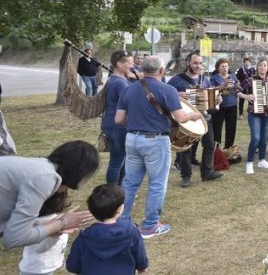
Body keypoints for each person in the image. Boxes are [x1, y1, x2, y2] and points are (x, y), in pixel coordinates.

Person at [115, 55, 201, 238]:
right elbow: (180, 117)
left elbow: (119, 119)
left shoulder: (128, 89)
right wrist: (194, 115)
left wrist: (138, 120)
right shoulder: (167, 90)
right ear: (161, 71)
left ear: (142, 69)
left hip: (132, 139)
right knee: (157, 183)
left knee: (129, 183)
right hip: (156, 140)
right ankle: (150, 226)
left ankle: (121, 222)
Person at [0, 140, 98, 248]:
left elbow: (13, 226)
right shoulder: (44, 178)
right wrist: (62, 223)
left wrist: (46, 226)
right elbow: (13, 238)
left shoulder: (39, 167)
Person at [66, 183, 148, 275]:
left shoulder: (84, 236)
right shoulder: (131, 231)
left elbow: (72, 266)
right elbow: (140, 259)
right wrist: (142, 269)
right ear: (120, 209)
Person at [167, 53, 223, 187]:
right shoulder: (177, 80)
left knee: (209, 145)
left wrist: (217, 100)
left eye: (200, 63)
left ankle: (207, 172)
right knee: (186, 148)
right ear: (188, 63)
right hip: (187, 120)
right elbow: (165, 93)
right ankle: (186, 176)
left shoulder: (205, 79)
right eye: (195, 63)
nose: (198, 66)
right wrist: (177, 94)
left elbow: (209, 99)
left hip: (204, 118)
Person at [18, 187, 72, 275]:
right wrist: (54, 235)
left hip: (46, 265)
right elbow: (39, 249)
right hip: (36, 269)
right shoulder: (35, 223)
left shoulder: (58, 219)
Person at [237, 59, 268, 174]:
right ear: (257, 67)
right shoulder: (250, 79)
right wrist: (246, 96)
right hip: (254, 112)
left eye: (265, 65)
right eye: (260, 65)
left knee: (264, 137)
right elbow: (237, 90)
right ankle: (249, 163)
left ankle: (262, 160)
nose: (263, 67)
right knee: (256, 138)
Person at [101, 50, 133, 185]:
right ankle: (112, 191)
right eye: (129, 63)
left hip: (112, 123)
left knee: (123, 158)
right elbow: (131, 102)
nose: (132, 66)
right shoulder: (120, 83)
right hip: (117, 125)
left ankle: (119, 189)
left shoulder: (116, 79)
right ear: (119, 64)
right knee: (117, 160)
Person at [210, 58, 240, 149]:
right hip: (219, 107)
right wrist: (224, 84)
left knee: (231, 129)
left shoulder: (233, 76)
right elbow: (212, 91)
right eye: (222, 66)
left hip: (232, 106)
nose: (224, 68)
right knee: (217, 129)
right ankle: (217, 150)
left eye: (226, 66)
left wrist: (238, 85)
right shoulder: (214, 78)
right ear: (218, 68)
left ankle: (228, 149)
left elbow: (237, 88)